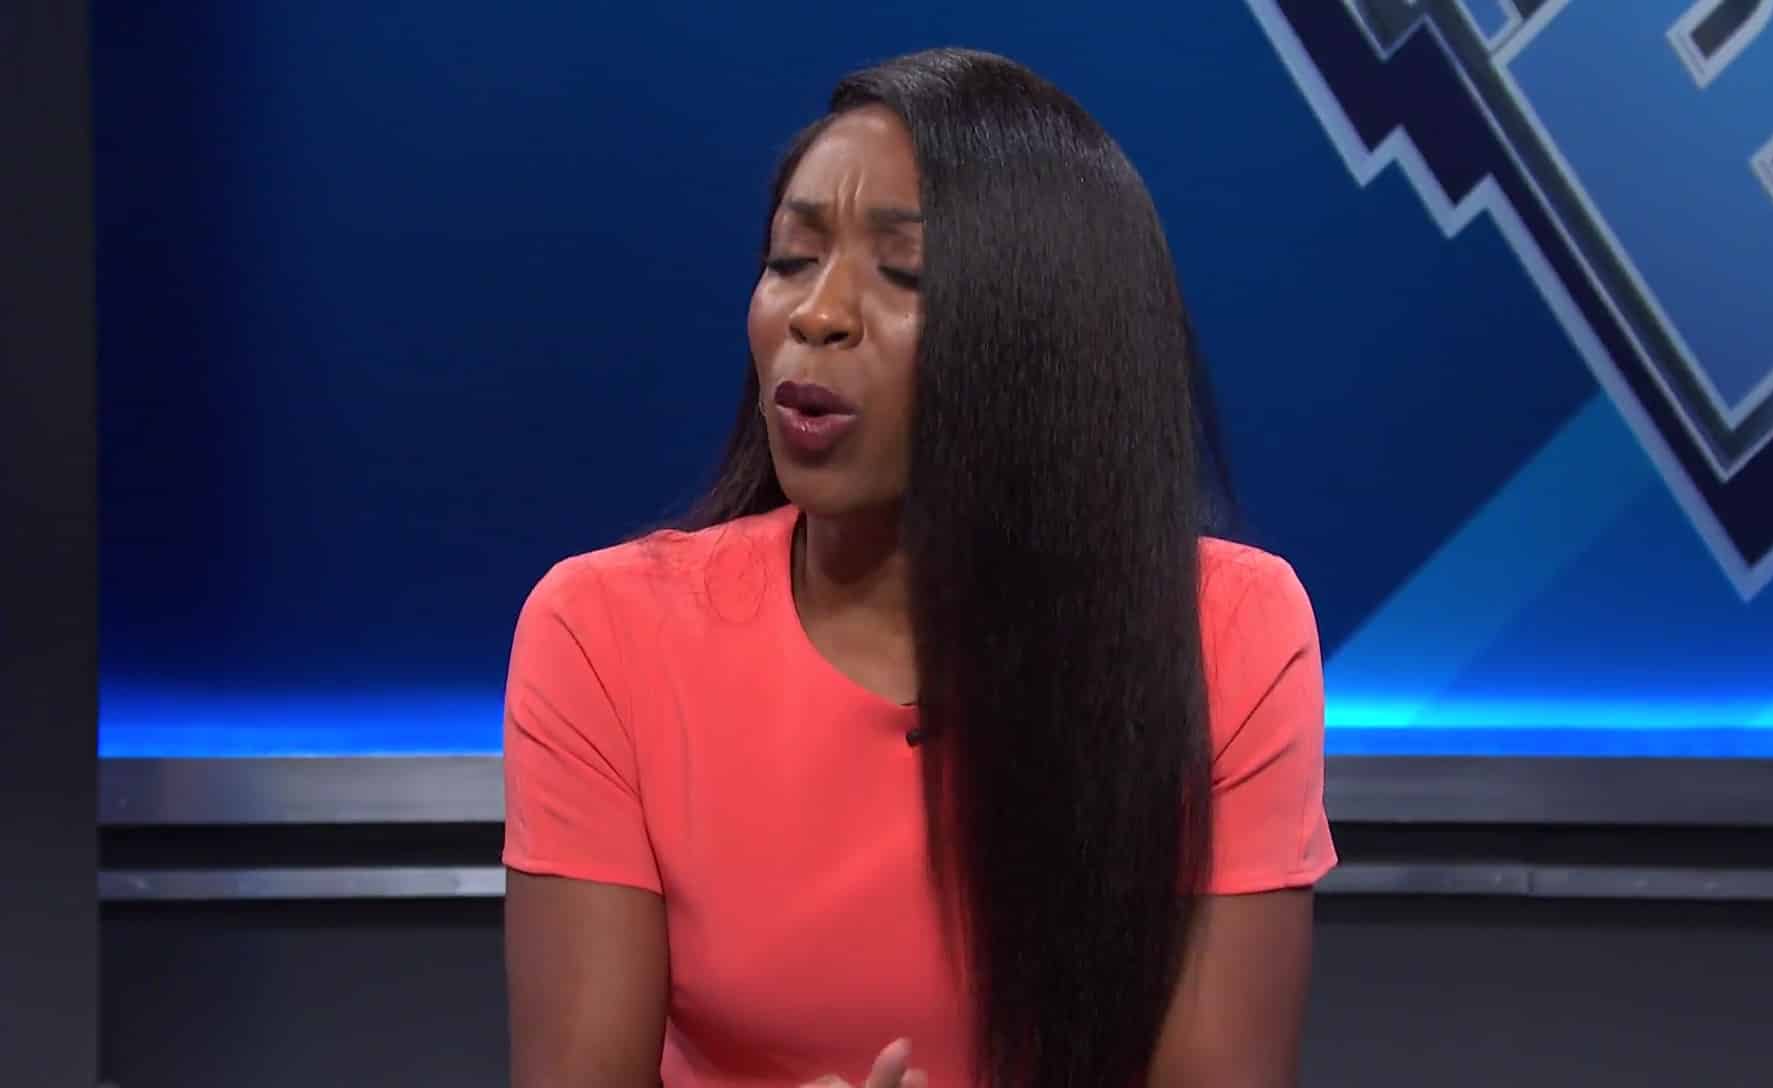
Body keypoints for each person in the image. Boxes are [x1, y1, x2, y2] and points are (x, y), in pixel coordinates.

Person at [500, 47, 1335, 1088]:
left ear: (1048, 335)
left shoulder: (1229, 633)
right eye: (792, 259)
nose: (817, 314)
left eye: (905, 274)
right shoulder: (605, 632)